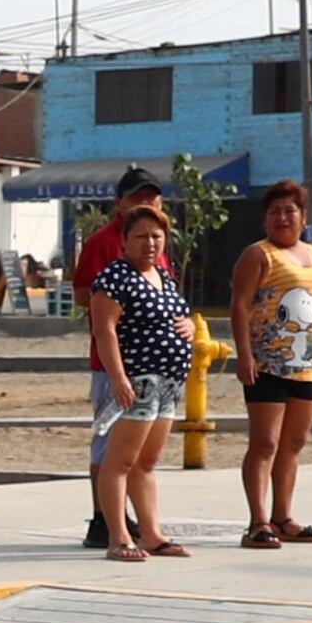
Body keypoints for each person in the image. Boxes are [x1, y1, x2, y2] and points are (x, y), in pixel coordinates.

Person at [231, 178, 312, 546]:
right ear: (265, 219)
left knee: (293, 444)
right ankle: (258, 522)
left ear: (303, 217)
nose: (282, 218)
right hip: (267, 365)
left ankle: (283, 517)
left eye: (289, 211)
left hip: (308, 366)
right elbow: (240, 305)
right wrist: (244, 354)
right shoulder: (258, 255)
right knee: (265, 443)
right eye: (274, 212)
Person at [82, 202, 194, 561]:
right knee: (120, 461)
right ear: (125, 240)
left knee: (147, 462)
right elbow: (104, 331)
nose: (150, 243)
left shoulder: (163, 276)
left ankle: (151, 533)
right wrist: (118, 378)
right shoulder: (114, 278)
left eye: (156, 236)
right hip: (137, 380)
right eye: (141, 236)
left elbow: (178, 315)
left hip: (168, 382)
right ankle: (118, 536)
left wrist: (190, 326)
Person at [66, 166, 168, 546]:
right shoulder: (104, 243)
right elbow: (83, 294)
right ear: (119, 202)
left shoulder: (156, 245)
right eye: (137, 196)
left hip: (156, 372)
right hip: (116, 366)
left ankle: (132, 519)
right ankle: (104, 519)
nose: (146, 202)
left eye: (152, 196)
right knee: (109, 443)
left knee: (140, 451)